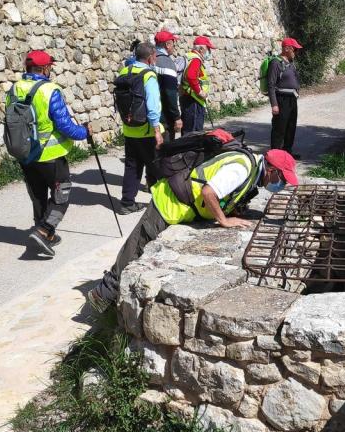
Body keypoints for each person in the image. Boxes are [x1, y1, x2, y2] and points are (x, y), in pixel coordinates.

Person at [86, 148, 299, 314]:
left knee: (139, 248)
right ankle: (101, 297)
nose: (281, 184)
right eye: (281, 178)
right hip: (170, 203)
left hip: (182, 204)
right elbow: (208, 192)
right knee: (136, 248)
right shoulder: (242, 168)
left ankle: (109, 295)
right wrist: (224, 220)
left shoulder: (250, 167)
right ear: (271, 170)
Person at [8, 49, 97, 256]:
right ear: (44, 68)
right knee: (61, 195)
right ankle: (44, 230)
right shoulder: (49, 90)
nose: (50, 70)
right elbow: (65, 126)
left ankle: (44, 233)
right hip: (49, 154)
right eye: (49, 67)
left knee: (38, 196)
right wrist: (84, 131)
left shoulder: (14, 89)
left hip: (25, 153)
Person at [117, 42, 165, 215]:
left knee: (132, 166)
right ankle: (165, 202)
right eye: (155, 56)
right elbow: (153, 105)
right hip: (147, 130)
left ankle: (127, 203)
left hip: (129, 128)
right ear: (151, 56)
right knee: (157, 165)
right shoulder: (148, 75)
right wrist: (157, 131)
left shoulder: (125, 71)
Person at [268, 37, 303, 159]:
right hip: (281, 99)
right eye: (295, 50)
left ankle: (287, 153)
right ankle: (274, 156)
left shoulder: (291, 63)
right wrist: (274, 104)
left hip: (292, 99)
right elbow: (271, 85)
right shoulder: (275, 63)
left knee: (290, 127)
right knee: (279, 129)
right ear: (287, 49)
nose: (296, 52)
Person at [180, 36, 214, 135]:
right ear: (201, 49)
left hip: (188, 98)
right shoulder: (196, 59)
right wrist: (200, 92)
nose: (209, 52)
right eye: (208, 49)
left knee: (188, 130)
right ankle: (189, 150)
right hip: (193, 100)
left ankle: (187, 149)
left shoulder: (189, 57)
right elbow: (190, 76)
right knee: (193, 132)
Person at [154, 29, 184, 141]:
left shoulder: (146, 59)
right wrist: (176, 117)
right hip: (163, 117)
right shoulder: (166, 62)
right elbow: (170, 93)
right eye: (173, 43)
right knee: (164, 153)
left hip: (145, 116)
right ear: (167, 44)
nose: (174, 47)